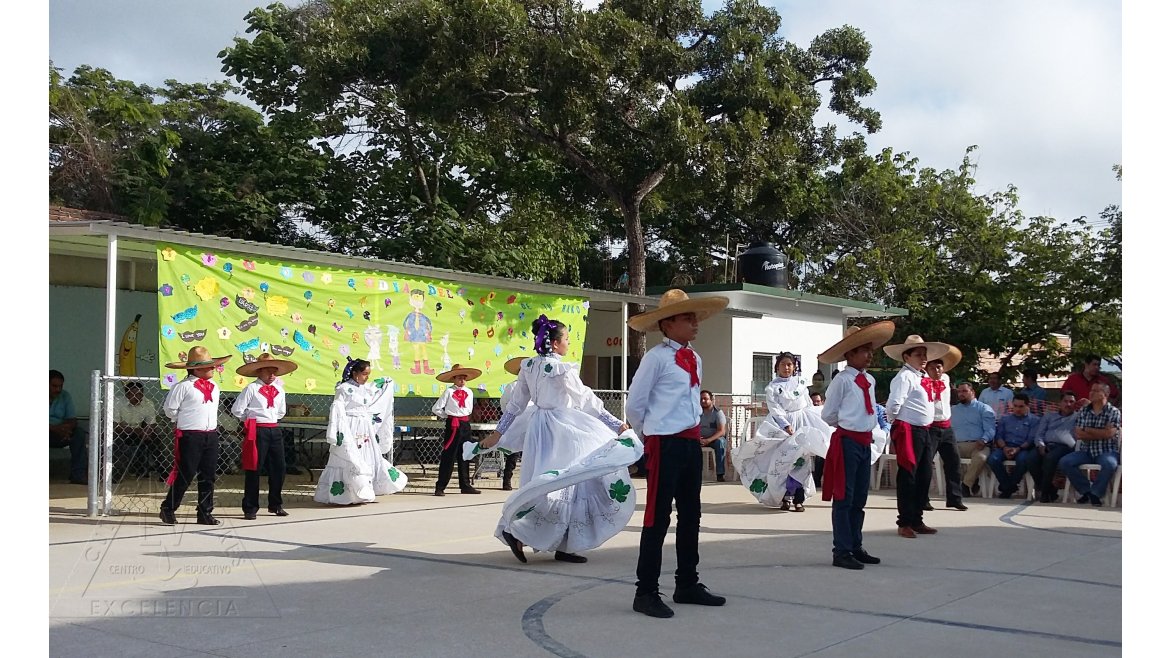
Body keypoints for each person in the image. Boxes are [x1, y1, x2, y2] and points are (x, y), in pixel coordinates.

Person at [477, 315, 641, 566]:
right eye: (566, 339)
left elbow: (515, 406)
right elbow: (587, 401)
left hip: (540, 430)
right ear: (554, 343)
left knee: (547, 482)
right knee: (570, 481)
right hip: (563, 429)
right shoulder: (561, 369)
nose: (568, 343)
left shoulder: (529, 366)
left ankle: (556, 541)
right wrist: (616, 424)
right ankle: (522, 533)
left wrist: (498, 433)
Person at [626, 289, 730, 618]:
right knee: (657, 517)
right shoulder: (656, 358)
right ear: (668, 323)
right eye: (688, 318)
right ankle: (645, 591)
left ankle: (687, 583)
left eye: (695, 317)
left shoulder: (694, 357)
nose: (695, 323)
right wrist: (649, 434)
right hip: (665, 442)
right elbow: (635, 403)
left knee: (691, 515)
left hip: (689, 441)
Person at [818, 321, 896, 570]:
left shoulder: (869, 380)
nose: (869, 355)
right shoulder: (842, 380)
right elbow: (828, 414)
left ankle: (855, 545)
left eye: (870, 350)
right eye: (864, 350)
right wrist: (848, 424)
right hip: (848, 441)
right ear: (850, 354)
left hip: (864, 441)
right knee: (845, 497)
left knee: (860, 497)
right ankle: (841, 550)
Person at [733, 353, 831, 511]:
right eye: (783, 364)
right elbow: (775, 409)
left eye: (790, 364)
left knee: (800, 461)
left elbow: (807, 404)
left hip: (801, 423)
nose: (787, 368)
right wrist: (785, 425)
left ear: (794, 367)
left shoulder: (800, 383)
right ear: (777, 367)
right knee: (783, 461)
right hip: (782, 426)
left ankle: (799, 498)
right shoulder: (773, 387)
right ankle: (784, 498)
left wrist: (812, 420)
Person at [314, 359, 408, 504]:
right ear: (354, 373)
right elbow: (337, 409)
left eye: (368, 374)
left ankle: (364, 490)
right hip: (350, 426)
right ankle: (347, 493)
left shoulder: (366, 389)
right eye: (364, 374)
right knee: (349, 456)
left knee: (366, 456)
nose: (367, 377)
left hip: (364, 428)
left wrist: (385, 382)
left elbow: (384, 384)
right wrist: (338, 430)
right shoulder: (343, 388)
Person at [885, 335, 950, 538]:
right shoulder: (904, 377)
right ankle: (905, 521)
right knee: (908, 475)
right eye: (918, 354)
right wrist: (897, 423)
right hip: (909, 430)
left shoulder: (921, 377)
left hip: (923, 429)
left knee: (924, 474)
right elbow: (893, 404)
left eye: (924, 354)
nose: (923, 358)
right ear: (907, 357)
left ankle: (917, 518)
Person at [158, 347, 232, 526]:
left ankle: (205, 512)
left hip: (211, 434)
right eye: (209, 366)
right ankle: (168, 508)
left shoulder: (214, 387)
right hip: (190, 434)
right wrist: (185, 420)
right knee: (186, 473)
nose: (213, 368)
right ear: (197, 369)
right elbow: (170, 410)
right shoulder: (183, 386)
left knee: (208, 475)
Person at [233, 353, 298, 519]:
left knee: (279, 468)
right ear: (259, 371)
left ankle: (275, 504)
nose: (272, 375)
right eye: (268, 371)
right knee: (254, 468)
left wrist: (271, 418)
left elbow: (281, 412)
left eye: (274, 371)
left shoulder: (279, 390)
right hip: (257, 429)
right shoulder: (251, 389)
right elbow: (237, 410)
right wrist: (251, 419)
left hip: (274, 429)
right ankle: (250, 507)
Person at [1058, 382, 1121, 506]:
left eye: (1096, 391)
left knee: (1109, 464)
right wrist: (1101, 432)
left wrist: (1087, 429)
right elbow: (1078, 434)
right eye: (1092, 390)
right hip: (1086, 450)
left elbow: (1109, 434)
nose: (1092, 393)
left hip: (1106, 450)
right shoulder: (1084, 411)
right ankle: (1086, 491)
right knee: (1065, 462)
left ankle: (1096, 493)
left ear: (1106, 394)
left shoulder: (1113, 412)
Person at [432, 363, 482, 495]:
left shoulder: (469, 392)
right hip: (453, 424)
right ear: (453, 379)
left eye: (464, 378)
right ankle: (440, 486)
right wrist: (448, 416)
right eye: (459, 378)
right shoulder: (449, 392)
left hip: (465, 424)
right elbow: (436, 408)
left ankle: (465, 485)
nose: (462, 381)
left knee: (465, 454)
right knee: (449, 455)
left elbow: (469, 409)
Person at [986, 393, 1042, 498]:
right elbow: (999, 436)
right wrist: (1004, 448)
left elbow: (1031, 439)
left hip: (1023, 448)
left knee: (1023, 460)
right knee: (993, 459)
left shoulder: (1034, 420)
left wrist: (1018, 449)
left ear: (1027, 406)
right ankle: (1009, 486)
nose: (1017, 409)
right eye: (1015, 406)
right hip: (1005, 447)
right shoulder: (1005, 419)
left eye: (1021, 406)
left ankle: (1008, 487)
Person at [1029, 391, 1079, 502]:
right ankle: (1050, 489)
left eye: (1071, 402)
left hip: (1065, 447)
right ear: (1060, 403)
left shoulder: (1078, 417)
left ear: (1075, 404)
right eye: (1065, 401)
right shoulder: (1049, 416)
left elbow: (1091, 412)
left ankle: (1044, 493)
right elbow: (1039, 434)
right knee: (1031, 458)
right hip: (1046, 445)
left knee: (1050, 458)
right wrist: (1041, 445)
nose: (1068, 404)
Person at [950, 381, 996, 497]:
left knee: (981, 457)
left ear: (973, 392)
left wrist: (984, 440)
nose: (961, 394)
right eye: (959, 392)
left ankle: (965, 485)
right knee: (945, 456)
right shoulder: (953, 410)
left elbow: (990, 429)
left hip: (978, 445)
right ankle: (970, 480)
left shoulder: (984, 408)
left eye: (965, 391)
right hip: (958, 445)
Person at [111, 382, 162, 480]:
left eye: (140, 394)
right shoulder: (117, 402)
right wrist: (136, 430)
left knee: (156, 438)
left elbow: (151, 423)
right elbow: (115, 425)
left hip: (139, 431)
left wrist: (147, 431)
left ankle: (163, 471)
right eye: (133, 394)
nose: (137, 397)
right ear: (127, 395)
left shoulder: (148, 403)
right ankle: (116, 474)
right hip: (121, 432)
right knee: (116, 440)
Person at [50, 369, 89, 485]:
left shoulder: (65, 396)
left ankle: (78, 475)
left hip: (61, 433)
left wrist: (66, 428)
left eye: (60, 386)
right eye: (54, 386)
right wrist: (55, 429)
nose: (58, 389)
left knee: (79, 433)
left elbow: (72, 418)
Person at [498, 356, 527, 491]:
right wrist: (510, 417)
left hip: (531, 422)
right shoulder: (513, 386)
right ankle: (507, 480)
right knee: (513, 453)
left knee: (530, 452)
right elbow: (504, 403)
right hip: (516, 422)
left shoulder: (535, 386)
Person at [699, 390, 728, 482]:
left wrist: (708, 440)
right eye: (701, 399)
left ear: (711, 400)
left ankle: (720, 474)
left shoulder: (717, 413)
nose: (703, 401)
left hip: (713, 440)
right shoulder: (696, 412)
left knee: (720, 442)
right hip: (699, 439)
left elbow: (722, 431)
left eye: (705, 399)